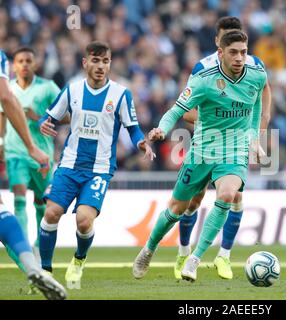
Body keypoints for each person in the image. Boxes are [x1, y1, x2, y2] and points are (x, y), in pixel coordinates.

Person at [133, 30, 267, 282]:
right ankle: (148, 249)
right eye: (233, 52)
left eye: (243, 52)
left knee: (228, 195)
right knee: (176, 209)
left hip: (234, 150)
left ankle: (195, 259)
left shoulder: (257, 74)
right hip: (202, 151)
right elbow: (177, 110)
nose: (239, 58)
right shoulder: (204, 80)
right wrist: (163, 127)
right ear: (221, 53)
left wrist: (254, 139)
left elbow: (256, 103)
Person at [38, 41, 154, 289]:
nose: (101, 66)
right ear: (85, 63)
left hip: (100, 169)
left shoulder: (121, 94)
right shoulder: (72, 90)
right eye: (96, 60)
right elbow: (48, 116)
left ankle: (78, 261)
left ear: (110, 63)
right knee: (51, 214)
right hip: (69, 165)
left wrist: (141, 143)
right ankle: (45, 272)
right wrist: (43, 123)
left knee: (83, 220)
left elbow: (132, 128)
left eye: (106, 61)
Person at [174, 16, 272, 280]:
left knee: (234, 196)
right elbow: (186, 112)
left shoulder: (254, 66)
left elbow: (264, 94)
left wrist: (258, 134)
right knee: (192, 201)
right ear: (218, 42)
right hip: (207, 145)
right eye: (228, 37)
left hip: (235, 146)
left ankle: (224, 256)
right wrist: (223, 118)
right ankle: (183, 252)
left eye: (239, 38)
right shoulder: (202, 70)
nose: (237, 51)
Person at [0, 49, 67, 300]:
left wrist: (41, 119)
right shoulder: (1, 65)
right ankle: (34, 267)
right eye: (20, 61)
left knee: (44, 206)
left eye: (29, 60)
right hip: (19, 153)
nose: (25, 65)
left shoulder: (47, 87)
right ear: (13, 66)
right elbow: (5, 100)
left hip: (42, 155)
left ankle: (37, 261)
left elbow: (66, 114)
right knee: (12, 205)